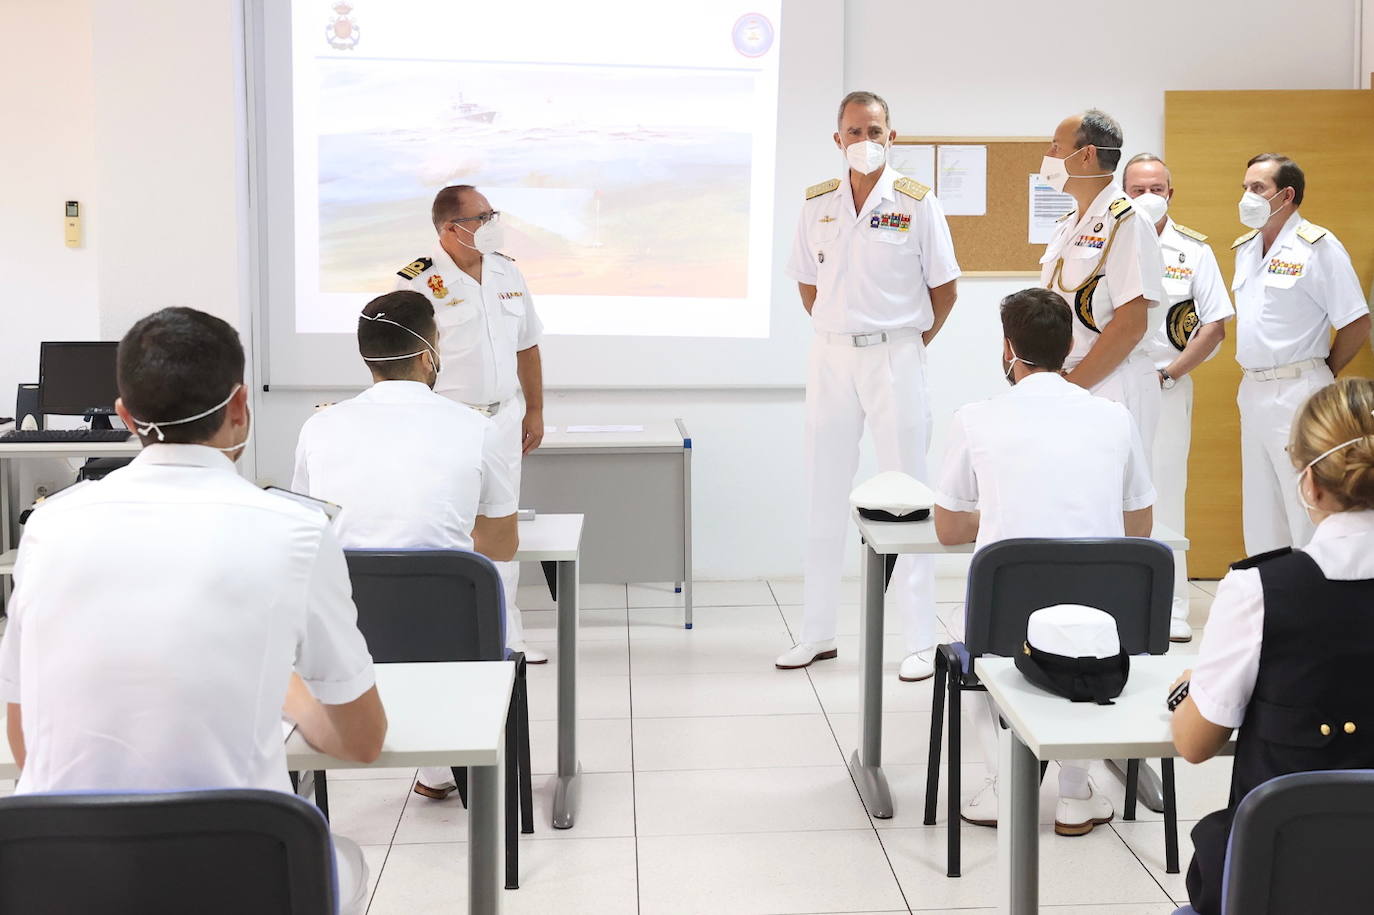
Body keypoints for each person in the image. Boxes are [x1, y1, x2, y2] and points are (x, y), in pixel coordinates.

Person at [0, 307, 386, 914]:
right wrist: (287, 691)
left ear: (125, 417)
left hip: (58, 876)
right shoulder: (297, 532)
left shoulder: (48, 526)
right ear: (240, 407)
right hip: (240, 876)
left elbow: (25, 745)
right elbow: (362, 740)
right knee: (346, 859)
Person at [934, 287, 1155, 835]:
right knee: (1079, 630)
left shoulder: (976, 418)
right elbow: (1140, 527)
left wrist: (1005, 522)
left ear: (1008, 348)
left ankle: (1004, 785)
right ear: (1071, 344)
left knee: (982, 644)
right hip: (1105, 628)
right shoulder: (1114, 417)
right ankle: (1076, 795)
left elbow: (947, 529)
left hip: (1007, 623)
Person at [293, 290, 518, 800]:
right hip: (455, 641)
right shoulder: (476, 429)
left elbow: (311, 531)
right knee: (470, 591)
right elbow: (502, 544)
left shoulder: (319, 427)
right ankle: (446, 760)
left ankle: (430, 770)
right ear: (426, 354)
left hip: (346, 638)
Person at [1170, 377, 1374, 915]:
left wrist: (1198, 688)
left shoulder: (1261, 589)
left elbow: (1194, 744)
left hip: (1283, 881)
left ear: (1309, 483)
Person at [777, 90, 960, 683]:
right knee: (823, 489)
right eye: (854, 131)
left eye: (875, 130)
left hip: (894, 356)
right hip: (830, 357)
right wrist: (841, 330)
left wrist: (901, 345)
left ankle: (916, 639)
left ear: (892, 136)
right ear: (838, 139)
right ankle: (817, 632)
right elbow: (808, 283)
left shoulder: (917, 201)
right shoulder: (817, 204)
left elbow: (945, 290)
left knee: (906, 494)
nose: (864, 141)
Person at [395, 184, 546, 662]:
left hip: (503, 418)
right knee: (444, 524)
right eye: (483, 216)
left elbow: (527, 345)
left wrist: (537, 410)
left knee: (501, 528)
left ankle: (508, 634)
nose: (492, 223)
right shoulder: (415, 282)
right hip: (445, 423)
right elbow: (405, 360)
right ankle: (449, 631)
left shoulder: (506, 271)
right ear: (450, 229)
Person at [1231, 153, 1370, 556]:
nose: (1247, 197)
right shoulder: (1246, 248)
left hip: (1300, 388)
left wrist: (1323, 370)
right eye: (1245, 188)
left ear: (1286, 195)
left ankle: (1315, 597)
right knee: (1260, 506)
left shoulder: (1318, 246)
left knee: (1305, 502)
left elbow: (1356, 321)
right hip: (1253, 389)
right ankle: (1269, 601)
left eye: (1258, 188)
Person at [1121, 153, 1235, 642]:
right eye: (1138, 188)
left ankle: (1171, 607)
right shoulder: (1109, 238)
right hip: (1114, 382)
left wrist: (1170, 373)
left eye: (1157, 188)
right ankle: (1116, 598)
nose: (1148, 196)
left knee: (1166, 492)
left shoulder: (1193, 250)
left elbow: (1215, 324)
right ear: (1123, 191)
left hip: (1166, 381)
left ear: (1171, 192)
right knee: (1112, 490)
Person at [1040, 109, 1164, 456]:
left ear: (1087, 155)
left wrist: (1071, 388)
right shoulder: (1066, 224)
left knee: (1115, 502)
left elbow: (1130, 324)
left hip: (1112, 382)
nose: (1048, 157)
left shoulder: (1127, 221)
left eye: (1055, 147)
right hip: (1070, 382)